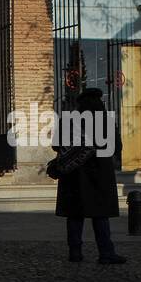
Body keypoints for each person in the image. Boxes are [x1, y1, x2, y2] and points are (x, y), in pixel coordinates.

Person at [52, 86, 125, 264]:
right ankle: (106, 253)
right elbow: (117, 148)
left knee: (74, 215)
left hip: (73, 175)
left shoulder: (68, 120)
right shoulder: (105, 121)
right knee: (100, 215)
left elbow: (56, 145)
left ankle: (75, 253)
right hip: (100, 175)